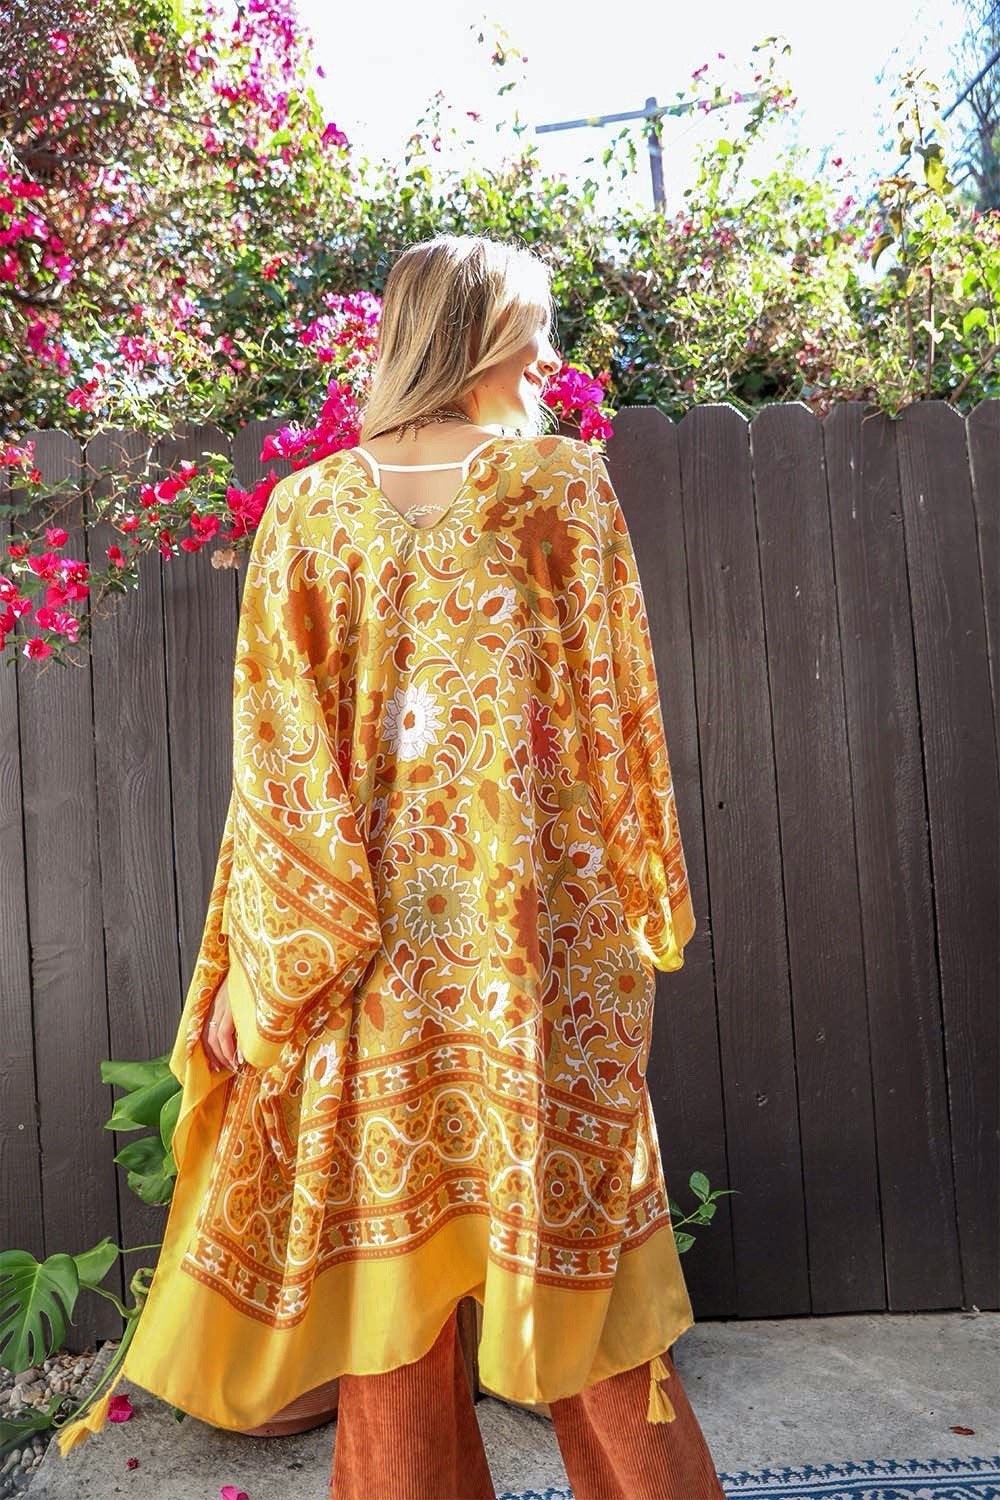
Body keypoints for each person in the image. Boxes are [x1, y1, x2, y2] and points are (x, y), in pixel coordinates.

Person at [56, 233, 725, 1499]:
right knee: (583, 1304)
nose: (551, 354)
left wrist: (268, 965)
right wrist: (645, 903)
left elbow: (277, 772)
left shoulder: (307, 510)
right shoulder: (560, 487)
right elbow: (617, 716)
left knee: (392, 1314)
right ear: (474, 335)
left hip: (365, 973)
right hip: (532, 965)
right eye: (535, 326)